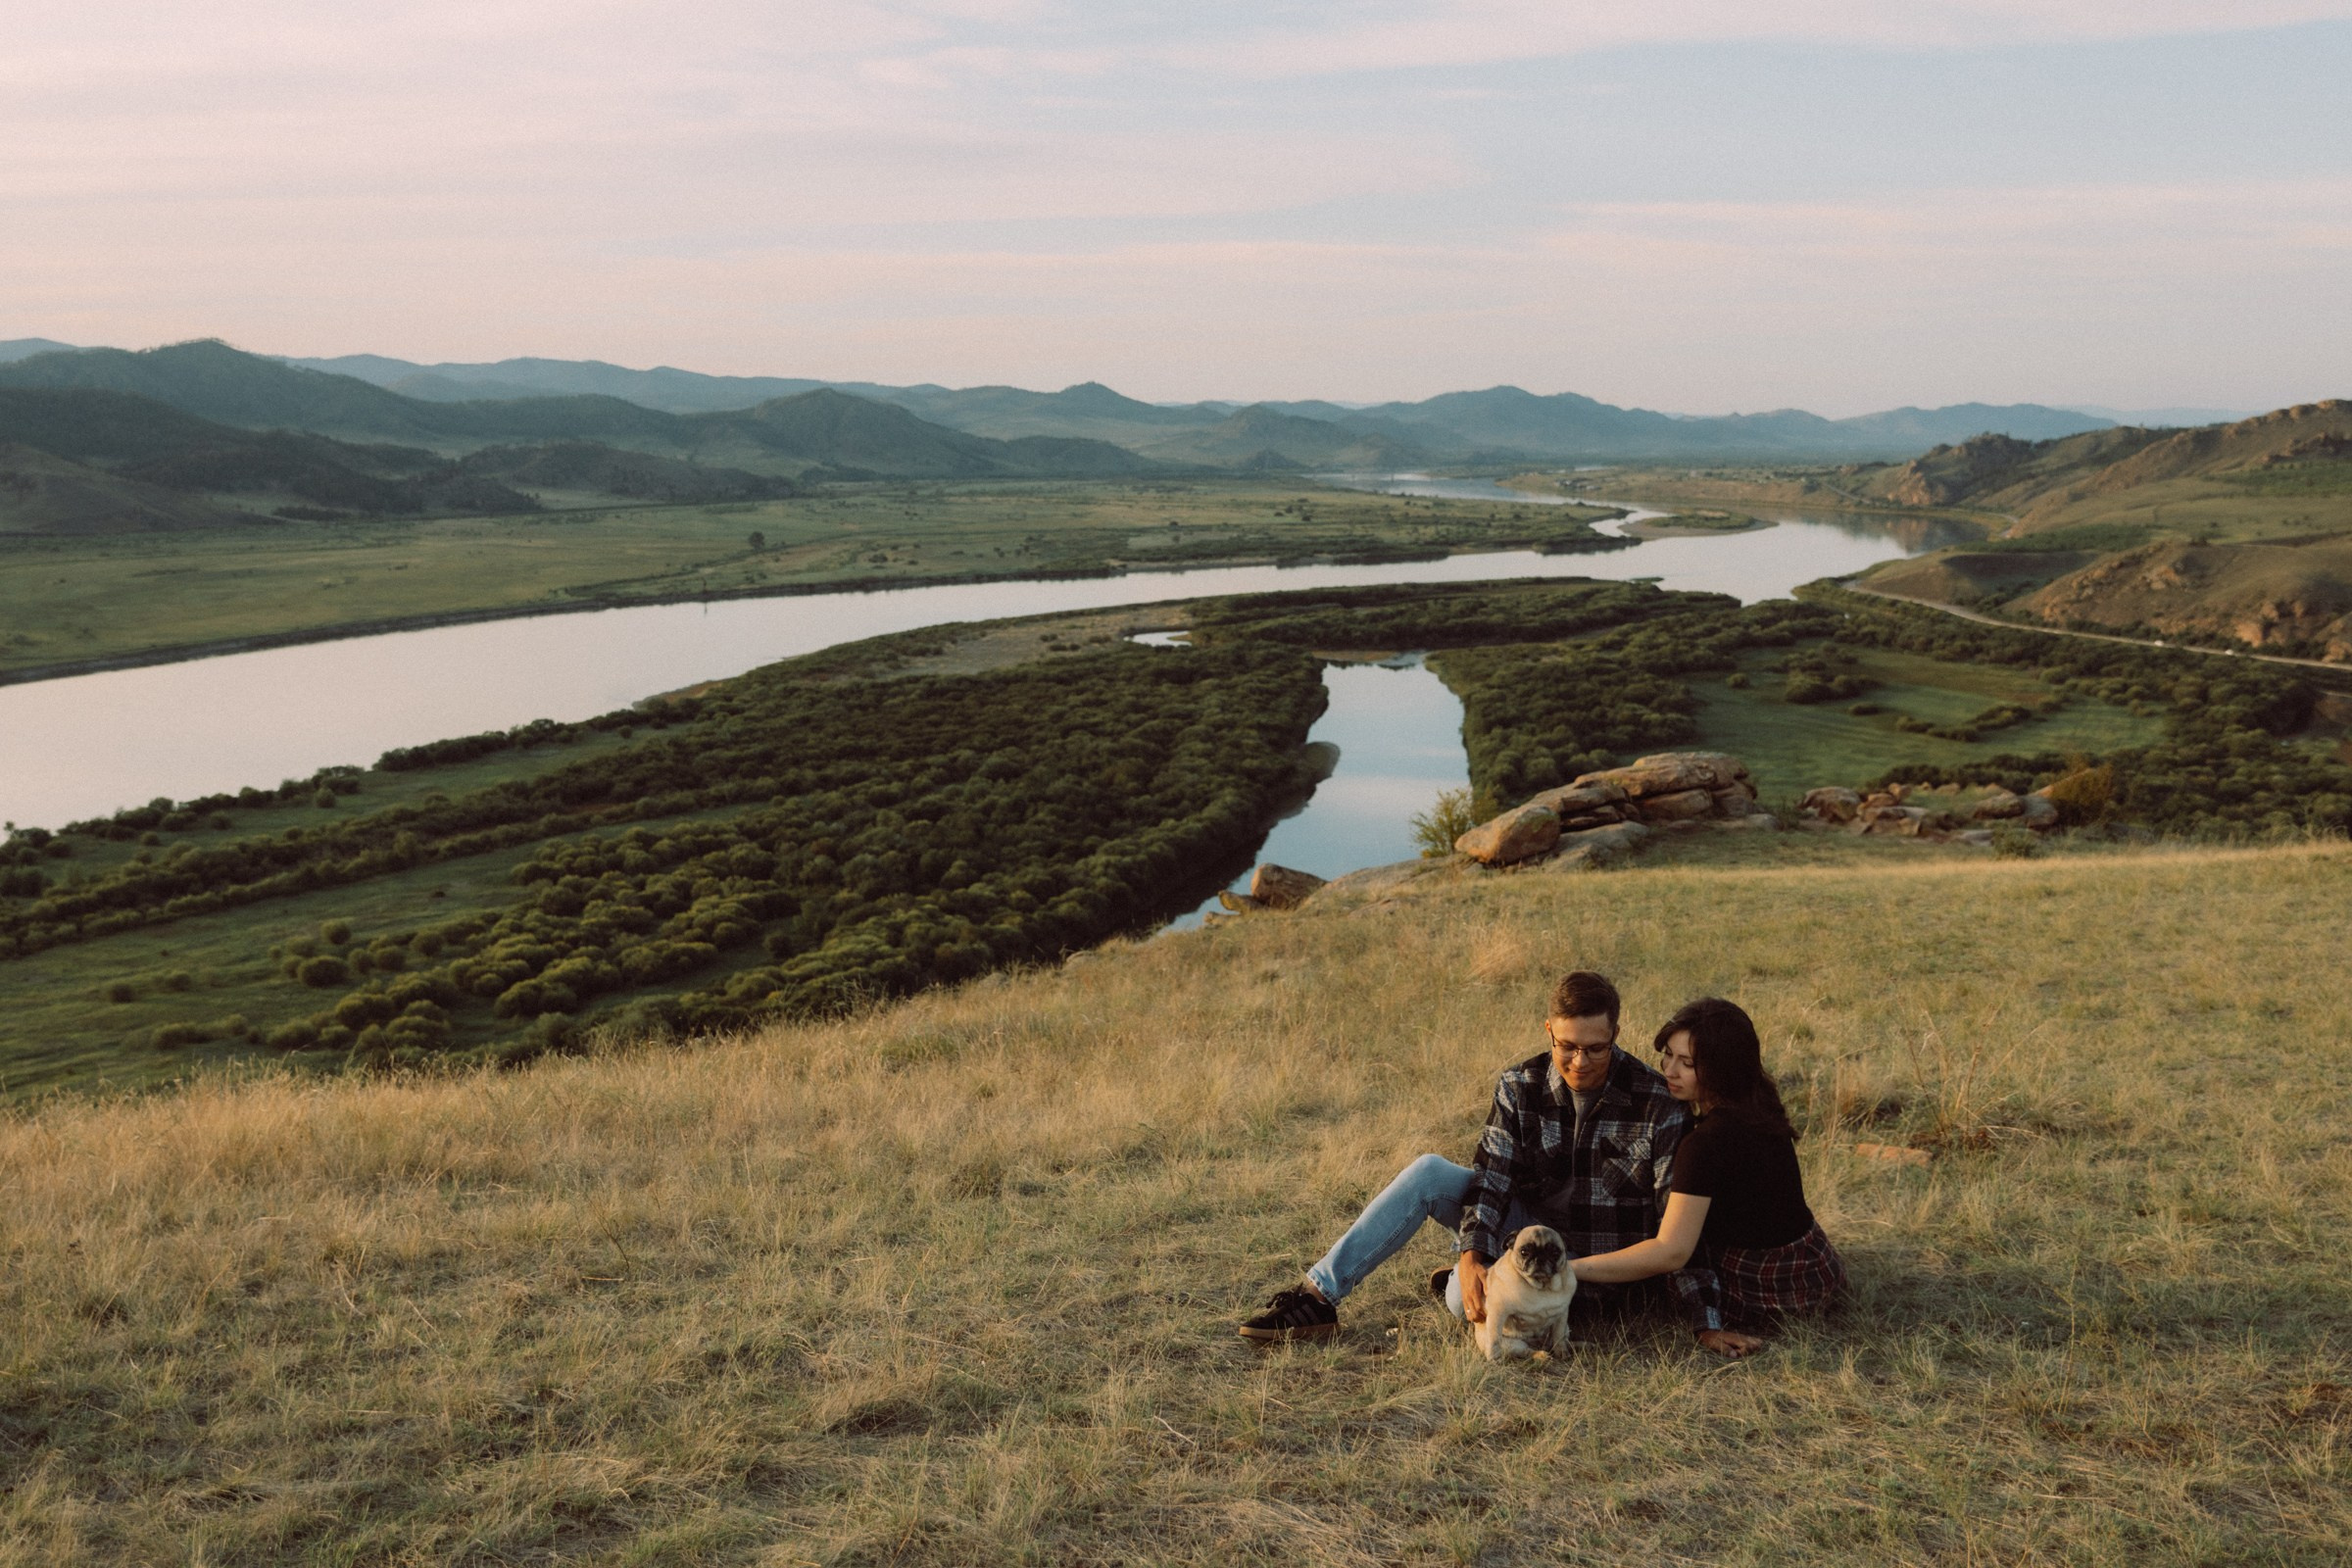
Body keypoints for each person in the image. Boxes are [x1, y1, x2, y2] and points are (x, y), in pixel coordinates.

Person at [1238, 970, 1717, 1347]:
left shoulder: (1658, 1102)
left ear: (1616, 1032)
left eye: (1596, 1048)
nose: (1580, 1062)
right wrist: (1470, 1257)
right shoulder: (1519, 1085)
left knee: (1457, 1304)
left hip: (1596, 1267)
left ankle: (1470, 1277)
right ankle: (1316, 1299)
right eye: (1566, 1046)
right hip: (1522, 1227)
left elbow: (1677, 1228)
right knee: (1430, 1172)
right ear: (1548, 1031)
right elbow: (1490, 1180)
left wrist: (1706, 1320)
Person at [1570, 997, 1845, 1356]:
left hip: (1767, 1284)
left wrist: (1571, 1268)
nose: (1669, 1070)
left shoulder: (1706, 1143)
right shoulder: (1758, 1102)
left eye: (1687, 1063)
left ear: (1722, 1069)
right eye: (1668, 1054)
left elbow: (1671, 1253)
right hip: (1816, 1264)